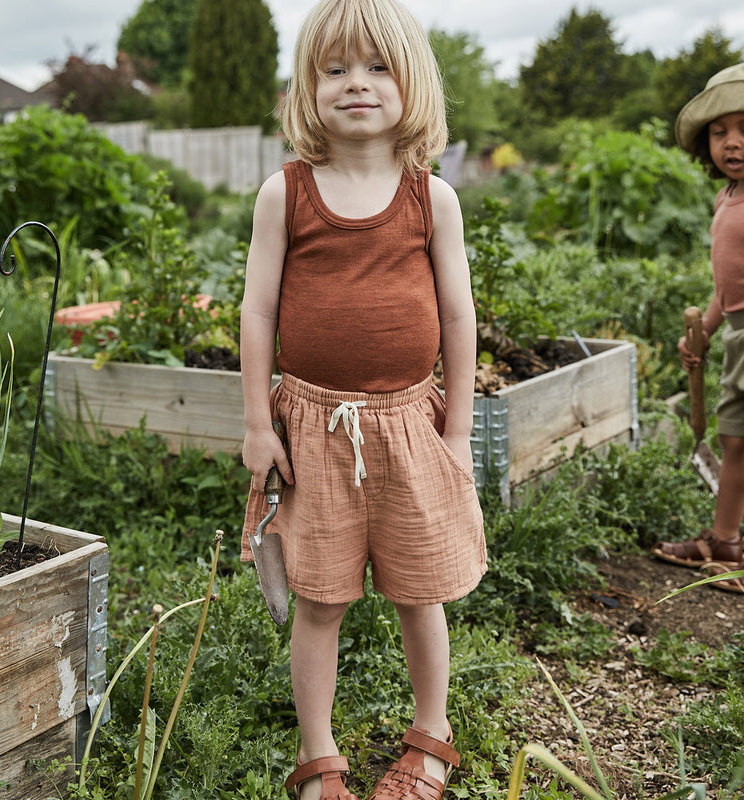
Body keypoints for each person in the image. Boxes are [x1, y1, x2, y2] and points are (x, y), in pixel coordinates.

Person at [238, 0, 487, 797]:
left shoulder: (430, 198)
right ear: (306, 88)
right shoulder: (286, 194)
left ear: (410, 84)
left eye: (378, 67)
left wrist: (456, 431)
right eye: (335, 68)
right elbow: (258, 312)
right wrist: (254, 422)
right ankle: (320, 756)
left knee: (422, 590)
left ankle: (431, 734)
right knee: (320, 598)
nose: (356, 84)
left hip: (412, 424)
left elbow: (457, 316)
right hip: (311, 427)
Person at [652, 62, 744, 596]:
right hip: (743, 337)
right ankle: (725, 543)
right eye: (719, 133)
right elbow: (728, 285)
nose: (732, 143)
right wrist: (706, 332)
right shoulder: (729, 197)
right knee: (735, 440)